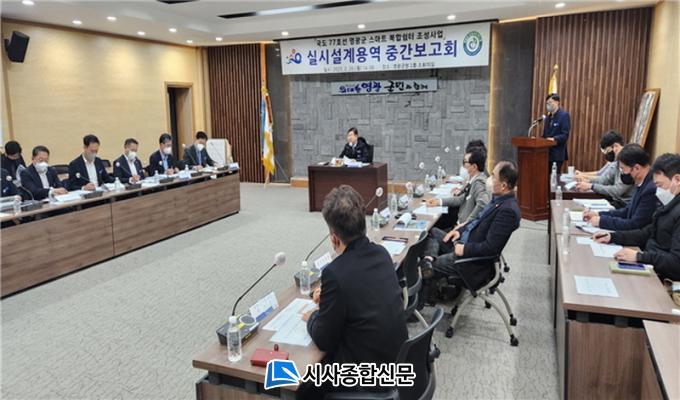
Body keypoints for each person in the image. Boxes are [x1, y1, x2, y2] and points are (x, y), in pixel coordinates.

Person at [299, 185, 407, 399]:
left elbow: (324, 339)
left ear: (334, 237)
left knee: (303, 385)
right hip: (397, 362)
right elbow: (362, 297)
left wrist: (312, 316)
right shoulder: (382, 254)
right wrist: (329, 302)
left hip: (367, 378)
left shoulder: (335, 273)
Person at [420, 161, 521, 293]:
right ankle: (428, 259)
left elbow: (491, 247)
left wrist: (464, 249)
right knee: (432, 232)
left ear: (503, 186)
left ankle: (427, 291)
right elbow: (477, 220)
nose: (489, 179)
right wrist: (460, 231)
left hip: (469, 260)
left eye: (493, 176)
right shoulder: (498, 199)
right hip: (462, 242)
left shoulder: (507, 211)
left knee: (423, 268)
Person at [593, 153, 680, 281]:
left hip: (664, 279)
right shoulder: (669, 205)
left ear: (677, 180)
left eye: (660, 185)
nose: (658, 191)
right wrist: (613, 237)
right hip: (652, 265)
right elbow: (646, 233)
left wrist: (639, 256)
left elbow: (676, 263)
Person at [583, 144, 659, 231]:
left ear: (637, 168)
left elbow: (634, 224)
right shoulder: (642, 182)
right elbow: (627, 211)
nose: (622, 173)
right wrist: (599, 214)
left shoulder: (650, 190)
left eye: (623, 169)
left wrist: (602, 222)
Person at [428, 148, 490, 228]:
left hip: (462, 229)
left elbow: (483, 203)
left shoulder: (478, 183)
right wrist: (439, 201)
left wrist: (466, 223)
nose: (463, 166)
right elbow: (461, 199)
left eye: (465, 162)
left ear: (474, 167)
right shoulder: (473, 181)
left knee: (431, 229)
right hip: (459, 224)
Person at [575, 130, 633, 207]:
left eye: (607, 151)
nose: (607, 155)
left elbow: (617, 191)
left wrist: (591, 186)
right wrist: (588, 181)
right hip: (616, 202)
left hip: (624, 205)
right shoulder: (616, 162)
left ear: (615, 146)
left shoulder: (629, 160)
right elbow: (604, 180)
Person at [542, 94, 571, 173]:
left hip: (557, 154)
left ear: (557, 102)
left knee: (554, 177)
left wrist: (554, 139)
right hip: (546, 154)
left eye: (550, 102)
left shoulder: (564, 116)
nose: (548, 105)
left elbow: (565, 135)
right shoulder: (548, 118)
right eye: (547, 103)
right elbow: (545, 135)